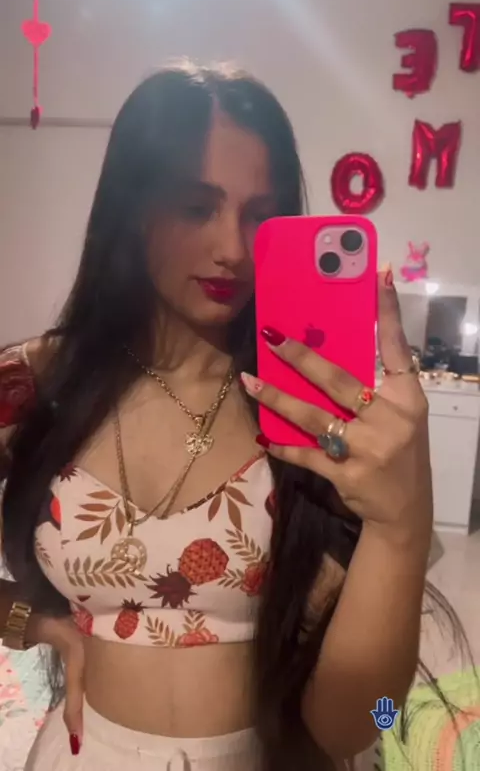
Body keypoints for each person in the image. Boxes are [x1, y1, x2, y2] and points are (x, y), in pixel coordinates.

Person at [0, 62, 437, 771]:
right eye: (195, 207)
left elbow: (359, 726)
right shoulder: (34, 383)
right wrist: (38, 624)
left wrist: (402, 528)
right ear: (131, 210)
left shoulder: (322, 414)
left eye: (261, 215)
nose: (233, 248)